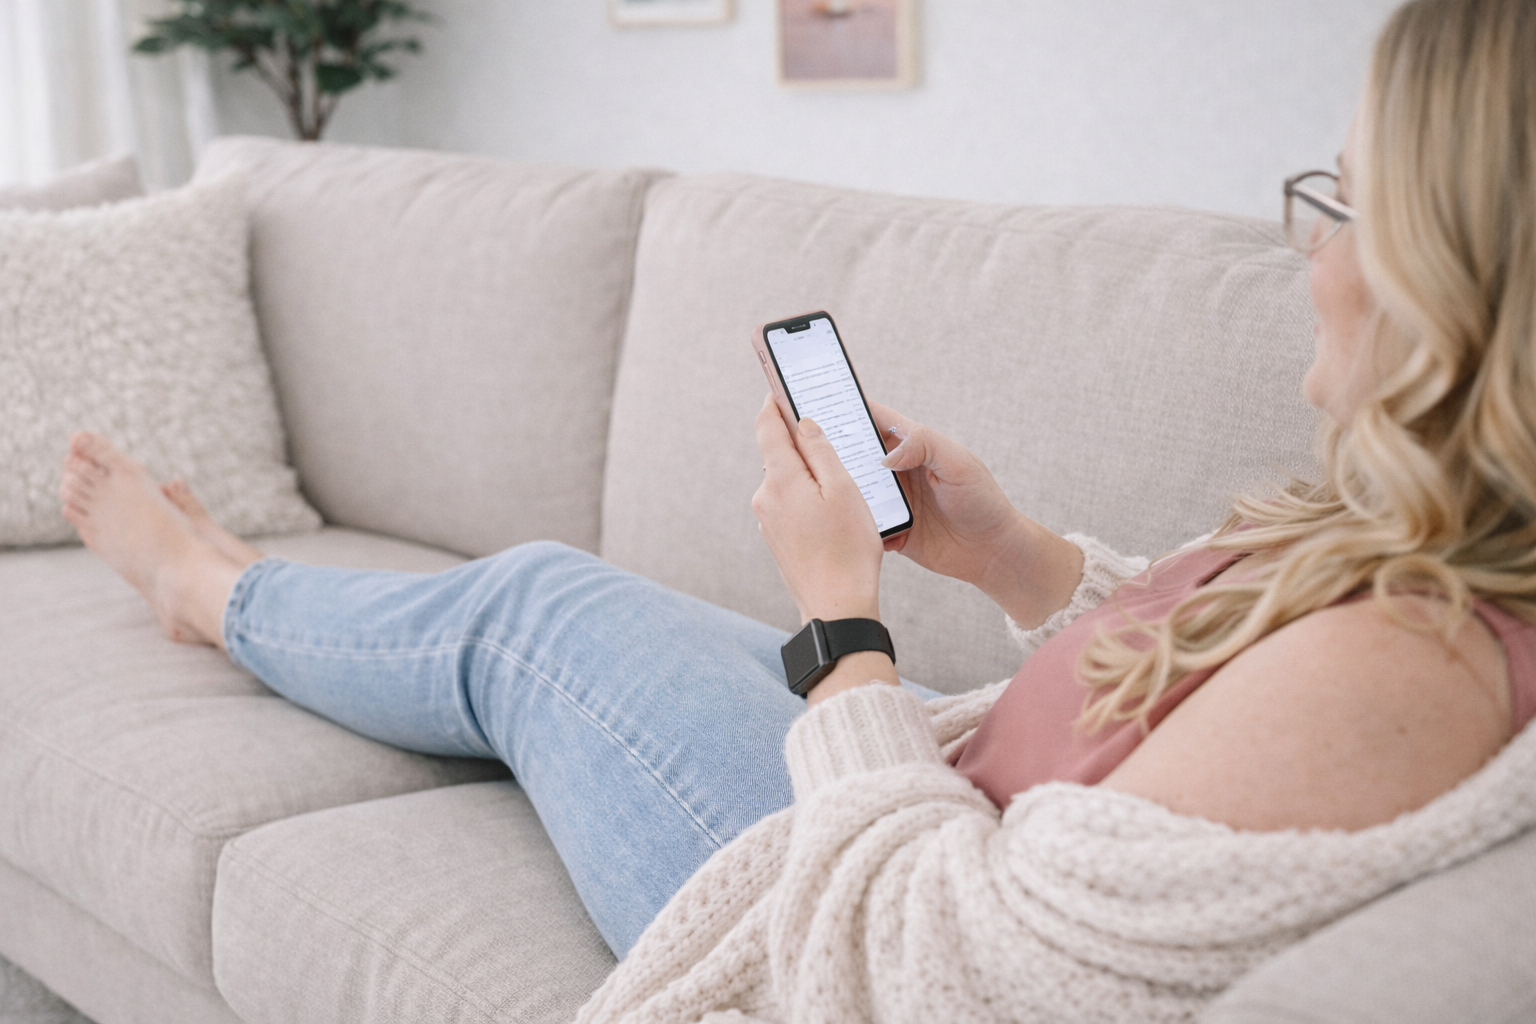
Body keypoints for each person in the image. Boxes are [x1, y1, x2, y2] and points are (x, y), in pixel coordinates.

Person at [56, 0, 1536, 1018]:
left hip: (864, 890)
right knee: (549, 597)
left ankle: (217, 592)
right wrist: (1016, 556)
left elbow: (932, 979)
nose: (1313, 255)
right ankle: (258, 585)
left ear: (1465, 271)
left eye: (1349, 207)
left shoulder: (1414, 664)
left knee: (531, 606)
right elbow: (1197, 699)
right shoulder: (1427, 556)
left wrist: (843, 625)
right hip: (930, 784)